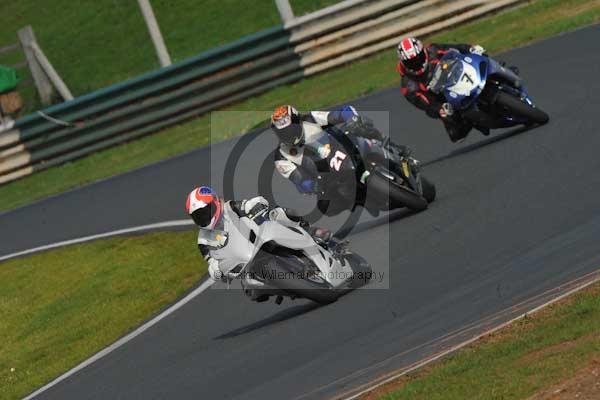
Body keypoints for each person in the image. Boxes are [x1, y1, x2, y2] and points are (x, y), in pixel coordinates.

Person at [270, 105, 411, 215]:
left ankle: (392, 147)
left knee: (362, 127)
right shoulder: (281, 156)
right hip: (326, 176)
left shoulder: (311, 119)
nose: (288, 135)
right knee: (326, 206)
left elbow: (340, 113)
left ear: (298, 121)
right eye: (283, 132)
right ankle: (366, 202)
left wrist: (352, 119)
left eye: (290, 129)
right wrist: (312, 185)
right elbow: (298, 180)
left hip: (341, 147)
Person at [185, 186, 330, 282]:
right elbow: (212, 261)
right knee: (252, 292)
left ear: (216, 202)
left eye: (205, 211)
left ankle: (310, 232)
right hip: (245, 264)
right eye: (198, 215)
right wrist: (216, 270)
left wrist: (256, 205)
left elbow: (249, 204)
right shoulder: (203, 240)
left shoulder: (231, 207)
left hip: (261, 237)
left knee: (279, 214)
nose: (203, 217)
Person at [396, 37, 505, 142]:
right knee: (456, 134)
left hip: (459, 73)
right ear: (404, 63)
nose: (416, 63)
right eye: (411, 62)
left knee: (480, 57)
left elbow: (454, 48)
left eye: (417, 58)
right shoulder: (408, 86)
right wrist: (440, 109)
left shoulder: (433, 49)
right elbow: (426, 104)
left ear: (422, 51)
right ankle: (477, 121)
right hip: (444, 97)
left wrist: (470, 49)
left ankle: (500, 70)